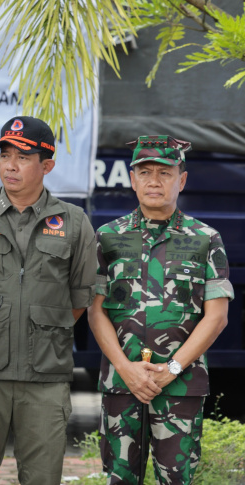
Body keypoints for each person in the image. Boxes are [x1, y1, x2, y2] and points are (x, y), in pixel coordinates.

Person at [0, 116, 96, 485]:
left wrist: (40, 328)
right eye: (4, 155)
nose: (10, 165)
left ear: (47, 165)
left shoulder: (73, 222)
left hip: (45, 378)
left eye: (23, 157)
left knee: (42, 479)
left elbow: (79, 296)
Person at [88, 136, 233, 484]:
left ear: (181, 180)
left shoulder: (205, 238)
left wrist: (171, 368)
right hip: (123, 384)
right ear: (133, 179)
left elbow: (217, 316)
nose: (154, 180)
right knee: (120, 479)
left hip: (179, 387)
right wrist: (126, 369)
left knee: (176, 479)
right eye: (145, 172)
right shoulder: (107, 237)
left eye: (165, 173)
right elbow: (95, 311)